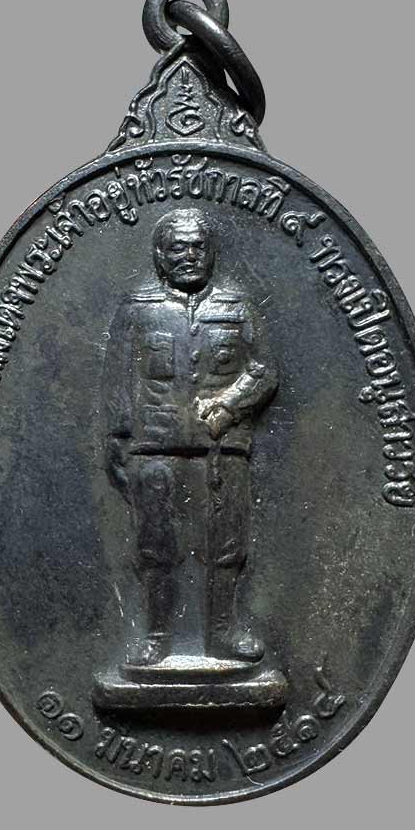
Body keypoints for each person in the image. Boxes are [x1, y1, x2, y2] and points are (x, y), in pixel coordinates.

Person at [104, 208, 278, 666]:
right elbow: (119, 378)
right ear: (160, 256)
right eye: (178, 247)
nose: (189, 255)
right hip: (154, 445)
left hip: (222, 445)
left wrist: (230, 403)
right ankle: (157, 636)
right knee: (155, 544)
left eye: (198, 246)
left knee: (227, 544)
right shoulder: (138, 309)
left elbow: (263, 371)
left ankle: (222, 633)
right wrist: (118, 439)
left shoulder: (236, 307)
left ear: (212, 252)